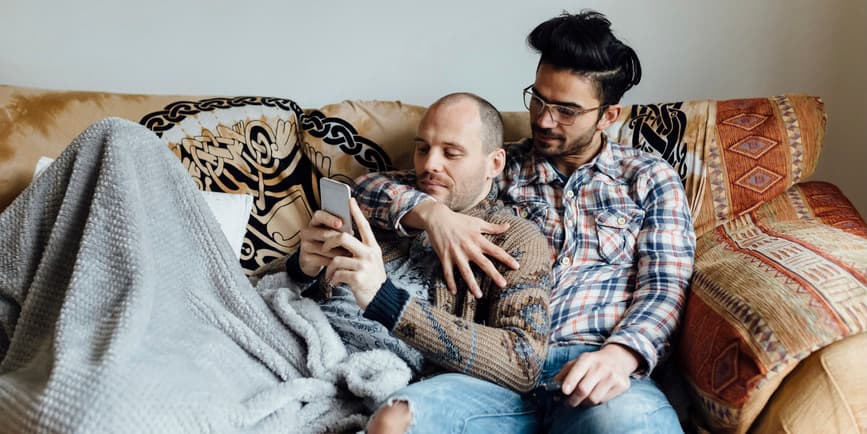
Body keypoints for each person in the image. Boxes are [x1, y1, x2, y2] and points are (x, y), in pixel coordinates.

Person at [353, 10, 695, 434]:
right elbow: (367, 189)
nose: (545, 120)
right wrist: (434, 214)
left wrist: (620, 356)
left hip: (596, 369)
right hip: (492, 373)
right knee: (395, 422)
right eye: (538, 99)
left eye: (567, 111)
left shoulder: (647, 177)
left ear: (609, 115)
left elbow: (665, 287)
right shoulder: (501, 165)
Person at [283, 93, 554, 432]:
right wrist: (303, 269)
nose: (429, 166)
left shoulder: (515, 239)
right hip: (299, 339)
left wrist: (386, 301)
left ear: (494, 163)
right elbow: (291, 282)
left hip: (379, 379)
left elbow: (522, 362)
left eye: (451, 153)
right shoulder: (387, 198)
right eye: (422, 148)